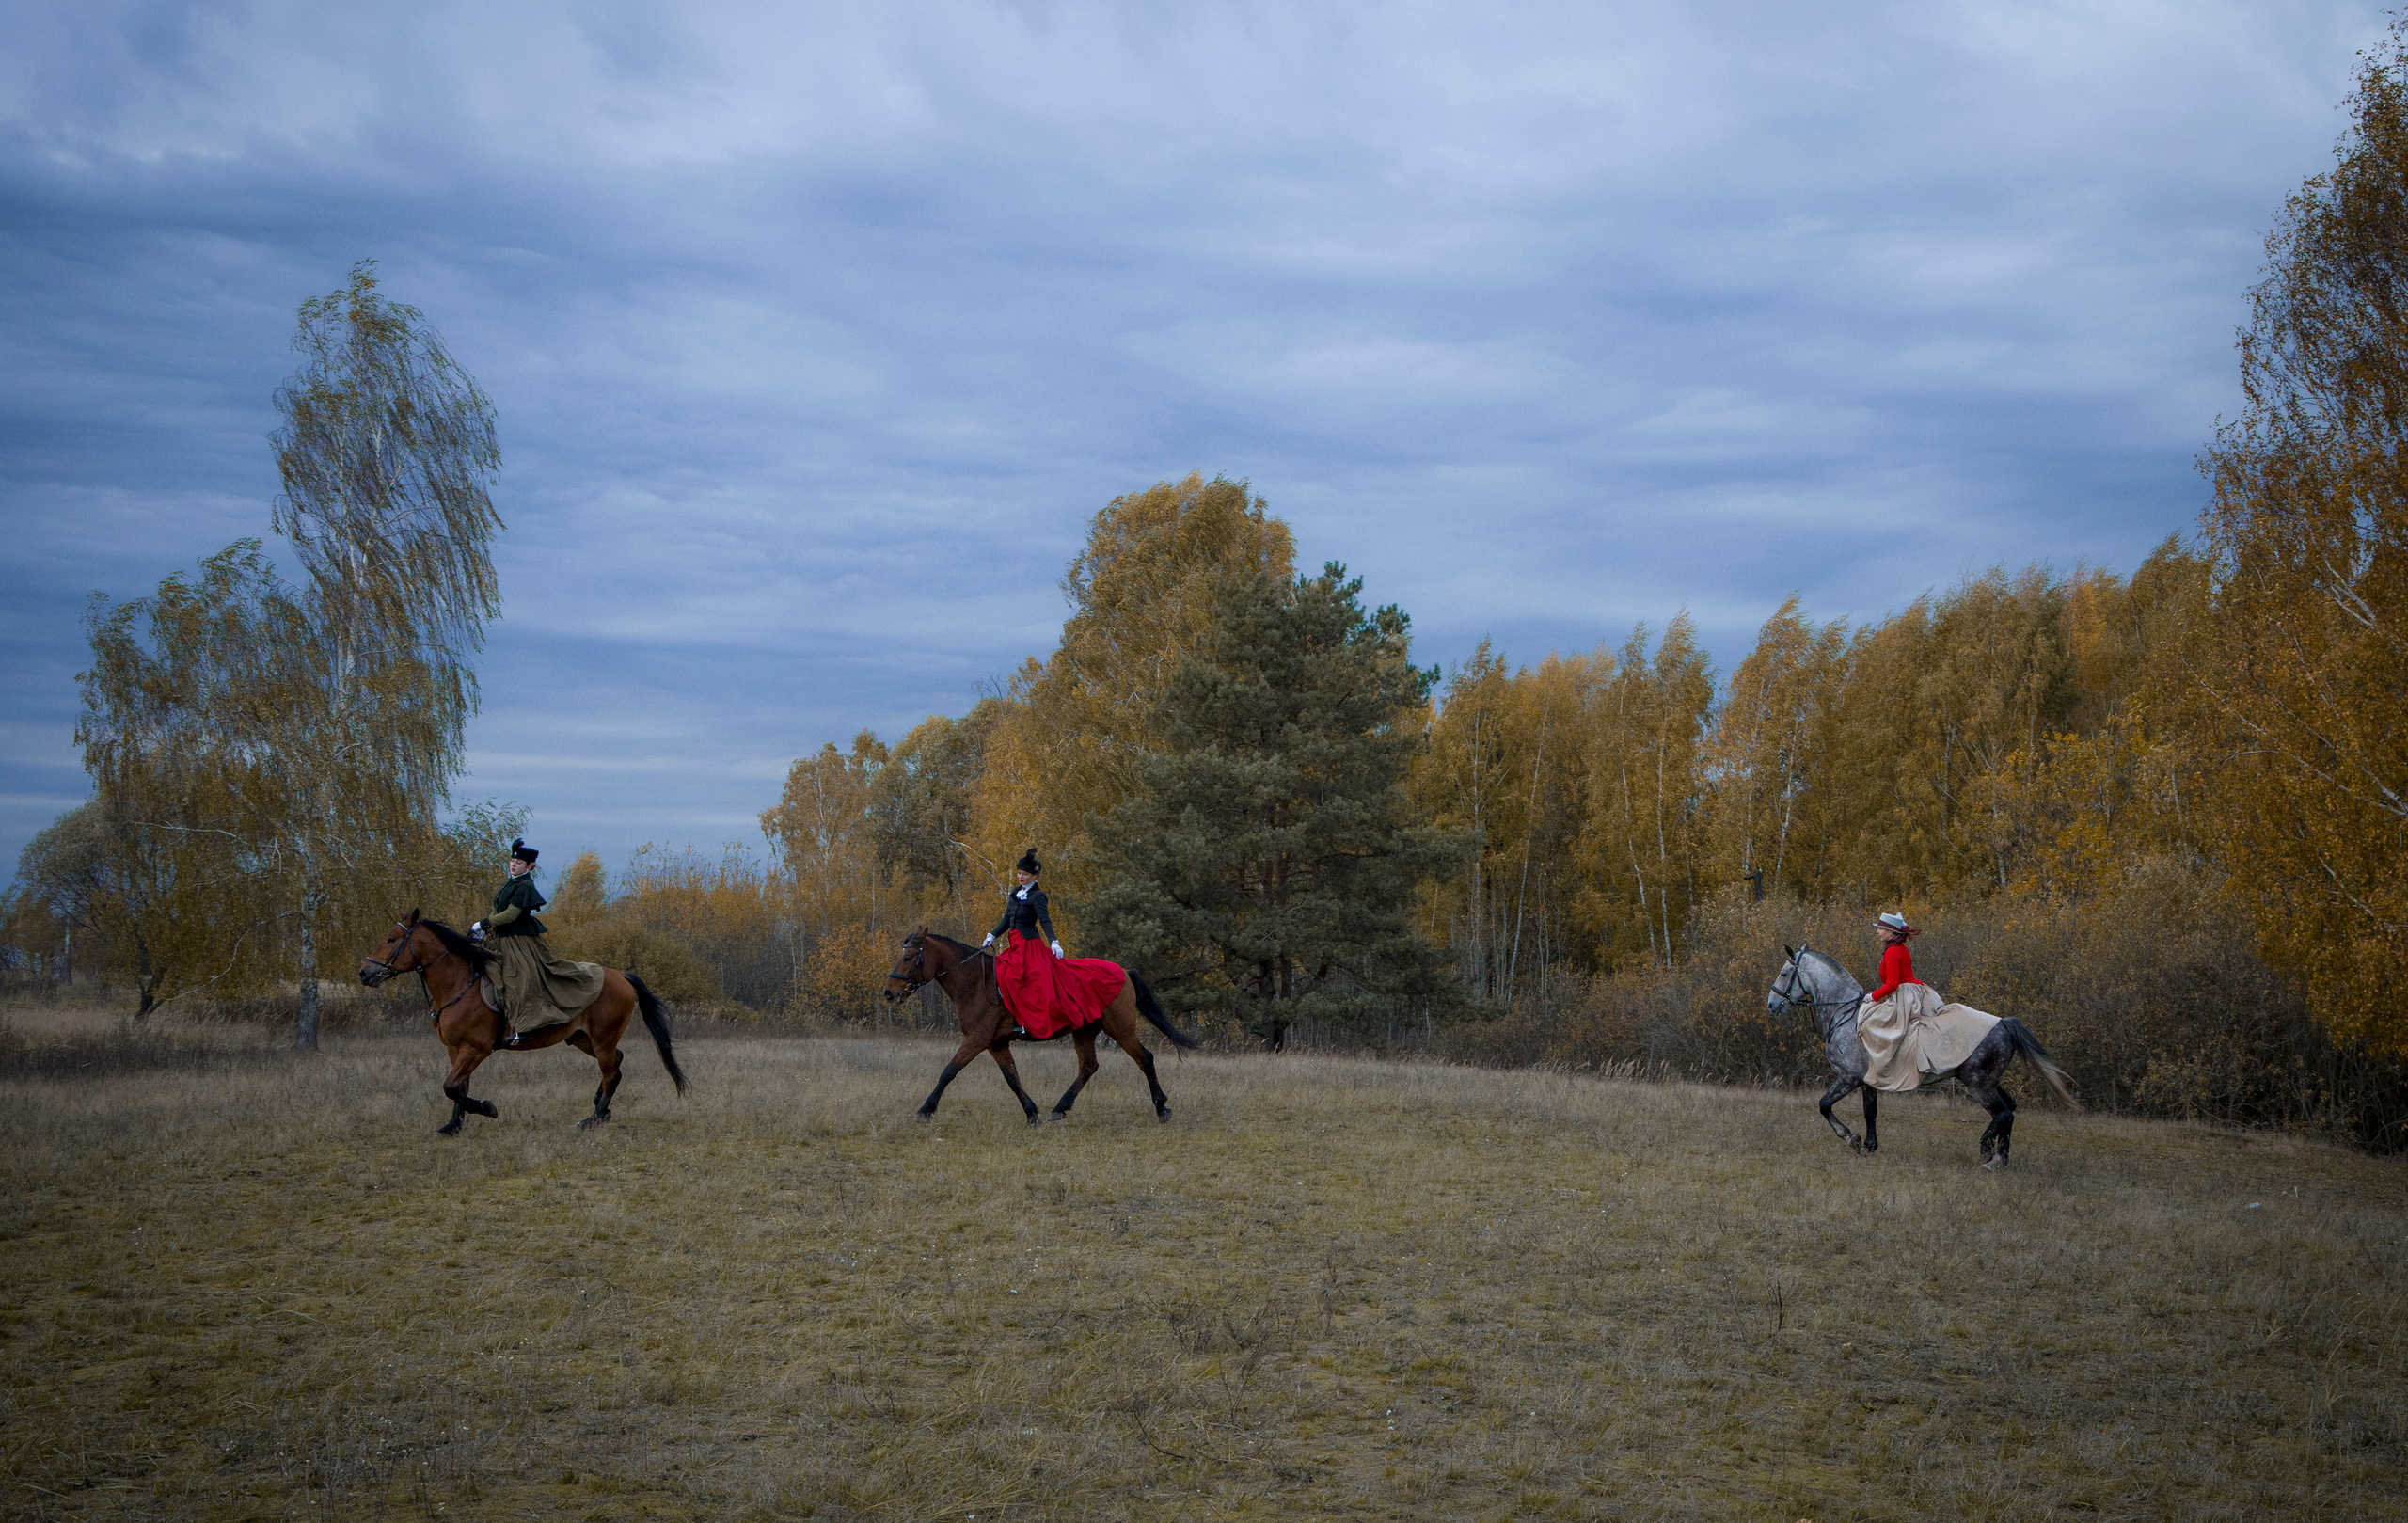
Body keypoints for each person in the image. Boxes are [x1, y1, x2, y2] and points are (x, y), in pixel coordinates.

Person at [470, 839, 606, 1048]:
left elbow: (512, 914)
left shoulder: (525, 886)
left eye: (519, 862)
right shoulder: (510, 883)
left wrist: (485, 923)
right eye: (512, 860)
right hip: (501, 939)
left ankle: (525, 1028)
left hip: (519, 942)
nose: (513, 865)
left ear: (529, 866)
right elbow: (498, 910)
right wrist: (484, 929)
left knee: (519, 979)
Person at [981, 849, 1124, 1040]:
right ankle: (1012, 1019)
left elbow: (1045, 920)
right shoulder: (1016, 893)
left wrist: (1054, 941)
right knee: (1002, 974)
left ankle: (1025, 1022)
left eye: (1025, 874)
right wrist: (993, 934)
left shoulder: (1038, 896)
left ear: (1035, 876)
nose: (1021, 877)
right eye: (1019, 873)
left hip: (1029, 946)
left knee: (1028, 980)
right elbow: (1007, 918)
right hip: (1015, 945)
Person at [1858, 911, 1946, 1090]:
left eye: (1881, 929)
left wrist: (1872, 996)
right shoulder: (1900, 948)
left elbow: (1892, 984)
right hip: (1912, 989)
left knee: (1872, 1024)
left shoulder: (1892, 951)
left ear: (1891, 932)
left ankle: (1886, 1067)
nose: (1877, 932)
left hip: (1903, 994)